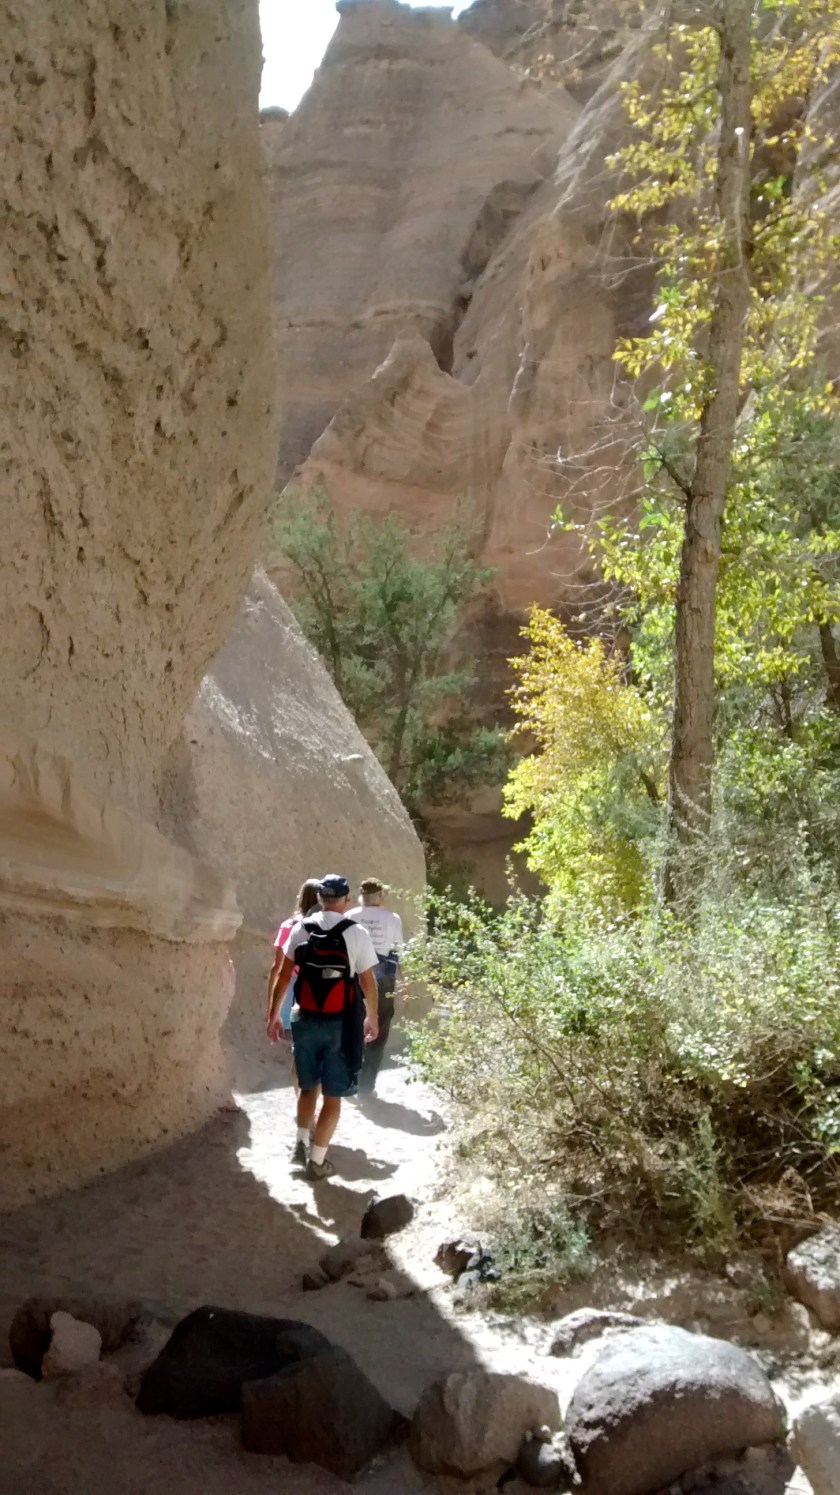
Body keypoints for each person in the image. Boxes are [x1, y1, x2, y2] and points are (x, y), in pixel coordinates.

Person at [267, 874, 379, 1181]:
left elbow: (283, 975)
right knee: (333, 1097)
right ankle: (317, 1162)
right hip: (341, 1022)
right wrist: (373, 1017)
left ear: (320, 899)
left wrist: (274, 1015)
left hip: (304, 1016)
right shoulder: (356, 933)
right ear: (345, 900)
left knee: (307, 1088)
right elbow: (368, 983)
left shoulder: (301, 929)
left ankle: (300, 1146)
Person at [348, 876, 404, 1092]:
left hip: (353, 976)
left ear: (362, 897)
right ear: (380, 895)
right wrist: (404, 980)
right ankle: (367, 1083)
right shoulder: (392, 918)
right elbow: (396, 951)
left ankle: (350, 1077)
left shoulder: (350, 916)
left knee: (353, 1023)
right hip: (382, 978)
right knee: (379, 1025)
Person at [267, 878, 321, 1096]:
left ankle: (301, 1099)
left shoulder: (289, 926)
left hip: (290, 992)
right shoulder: (327, 926)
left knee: (299, 1051)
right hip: (319, 991)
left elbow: (278, 968)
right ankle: (308, 1102)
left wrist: (272, 1008)